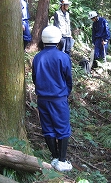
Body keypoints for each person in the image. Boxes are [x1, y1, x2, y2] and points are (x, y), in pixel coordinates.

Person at [32, 25, 73, 172]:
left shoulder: (37, 57)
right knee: (63, 129)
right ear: (58, 40)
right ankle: (61, 160)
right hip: (58, 99)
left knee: (48, 128)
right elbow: (68, 79)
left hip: (42, 98)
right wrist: (65, 93)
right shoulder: (63, 57)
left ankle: (55, 157)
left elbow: (35, 78)